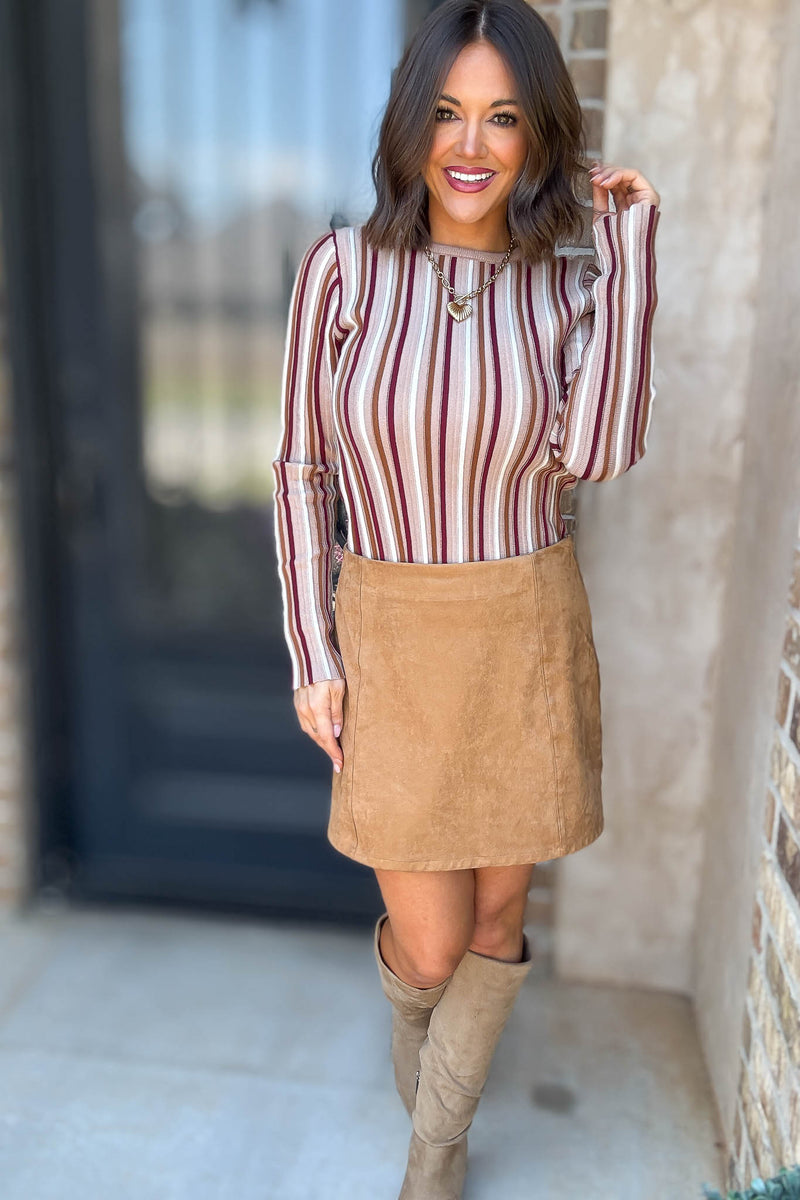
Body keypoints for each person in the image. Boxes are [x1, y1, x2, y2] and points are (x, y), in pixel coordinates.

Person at [271, 0, 661, 1195]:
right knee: (434, 942)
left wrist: (630, 248)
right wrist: (310, 651)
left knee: (498, 921)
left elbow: (595, 447)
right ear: (409, 125)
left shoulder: (560, 289)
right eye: (446, 111)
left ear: (539, 134)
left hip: (523, 630)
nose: (471, 145)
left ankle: (433, 1153)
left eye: (502, 116)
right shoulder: (340, 272)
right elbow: (300, 468)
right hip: (388, 634)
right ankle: (434, 1099)